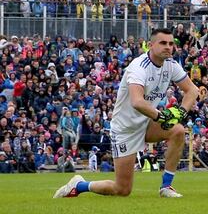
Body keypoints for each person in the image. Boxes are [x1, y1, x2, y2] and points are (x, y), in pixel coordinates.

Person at [53, 28, 199, 199]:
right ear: (150, 45)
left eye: (171, 43)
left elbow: (192, 90)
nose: (168, 47)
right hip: (125, 129)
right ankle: (79, 185)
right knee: (122, 189)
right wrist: (162, 116)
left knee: (178, 131)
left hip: (146, 123)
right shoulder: (138, 67)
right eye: (163, 43)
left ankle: (166, 186)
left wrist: (180, 112)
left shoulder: (171, 65)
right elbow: (137, 101)